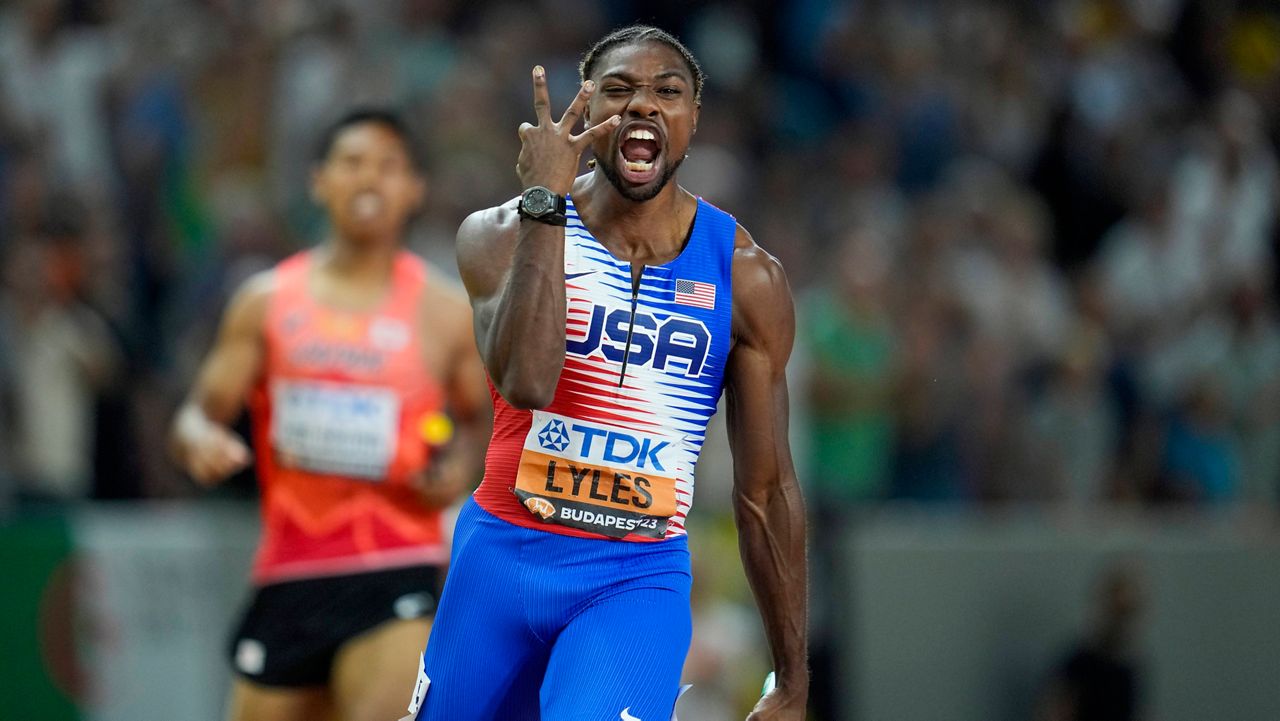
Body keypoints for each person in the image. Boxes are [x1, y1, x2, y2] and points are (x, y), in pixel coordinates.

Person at [404, 25, 807, 721]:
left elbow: (766, 491)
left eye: (667, 92)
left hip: (633, 577)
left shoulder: (746, 278)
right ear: (586, 114)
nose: (643, 106)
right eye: (618, 91)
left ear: (693, 119)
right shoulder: (500, 233)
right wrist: (545, 206)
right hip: (502, 559)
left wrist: (792, 680)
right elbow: (528, 379)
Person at [170, 108, 489, 721]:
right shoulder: (265, 302)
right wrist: (200, 440)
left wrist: (456, 469)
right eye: (352, 163)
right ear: (319, 180)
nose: (369, 180)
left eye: (388, 167)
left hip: (398, 563)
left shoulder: (444, 313)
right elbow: (197, 415)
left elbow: (480, 421)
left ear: (414, 189)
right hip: (291, 570)